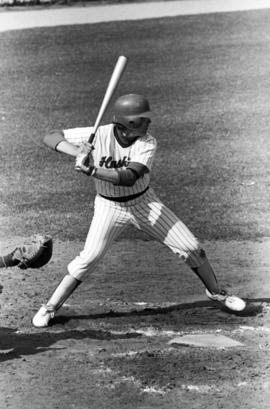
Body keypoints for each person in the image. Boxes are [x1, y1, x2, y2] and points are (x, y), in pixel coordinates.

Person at [32, 94, 246, 328]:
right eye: (144, 119)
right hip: (108, 207)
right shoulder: (99, 133)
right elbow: (51, 135)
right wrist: (77, 153)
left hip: (145, 204)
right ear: (129, 123)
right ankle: (50, 307)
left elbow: (128, 177)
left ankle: (217, 293)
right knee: (89, 257)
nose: (149, 123)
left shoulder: (147, 143)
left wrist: (92, 170)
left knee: (191, 248)